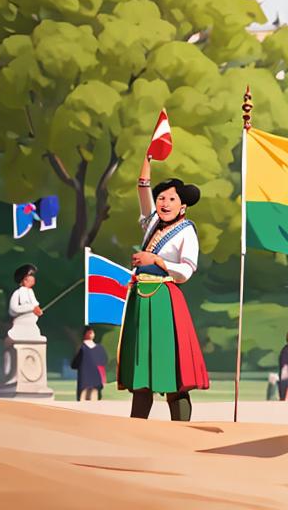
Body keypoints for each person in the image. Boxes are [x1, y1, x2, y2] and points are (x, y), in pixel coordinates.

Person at [117, 156, 210, 421]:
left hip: (164, 300)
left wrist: (156, 260)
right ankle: (137, 426)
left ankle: (180, 429)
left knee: (170, 366)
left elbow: (186, 270)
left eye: (171, 199)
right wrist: (146, 158)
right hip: (142, 299)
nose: (164, 203)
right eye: (161, 199)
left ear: (183, 205)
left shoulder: (186, 232)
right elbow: (143, 188)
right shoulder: (152, 224)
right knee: (142, 368)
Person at [70, 325, 107, 401]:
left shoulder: (83, 348)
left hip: (87, 380)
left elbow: (74, 364)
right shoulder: (85, 348)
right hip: (93, 380)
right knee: (90, 399)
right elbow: (103, 361)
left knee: (88, 399)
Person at [8, 263, 43, 340]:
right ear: (24, 279)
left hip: (32, 326)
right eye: (30, 275)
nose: (32, 278)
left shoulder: (30, 292)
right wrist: (31, 308)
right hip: (20, 326)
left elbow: (35, 305)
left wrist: (37, 310)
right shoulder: (17, 293)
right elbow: (13, 309)